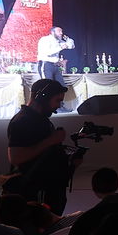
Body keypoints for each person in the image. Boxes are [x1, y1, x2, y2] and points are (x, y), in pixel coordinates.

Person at [5, 78, 71, 214]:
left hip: (46, 187)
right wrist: (51, 140)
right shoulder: (23, 121)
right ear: (42, 97)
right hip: (35, 191)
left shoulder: (39, 119)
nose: (59, 105)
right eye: (57, 100)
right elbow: (16, 158)